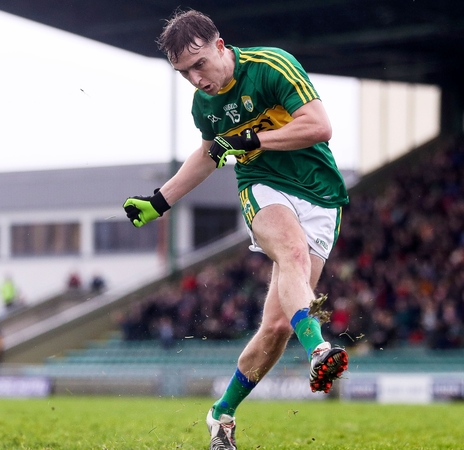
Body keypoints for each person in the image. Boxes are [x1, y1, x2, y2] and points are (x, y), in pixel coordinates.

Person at [123, 10, 350, 449]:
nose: (196, 79)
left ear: (220, 46)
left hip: (321, 195)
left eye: (199, 64)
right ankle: (320, 349)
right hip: (262, 185)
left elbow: (320, 126)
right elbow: (209, 154)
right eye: (184, 72)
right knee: (292, 253)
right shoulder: (204, 105)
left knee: (278, 326)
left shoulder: (271, 66)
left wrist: (251, 140)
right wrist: (160, 200)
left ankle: (221, 413)